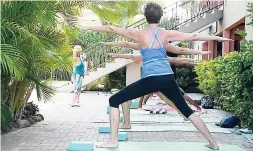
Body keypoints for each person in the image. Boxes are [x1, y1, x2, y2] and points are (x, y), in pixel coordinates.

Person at [76, 2, 232, 149]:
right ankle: (213, 143)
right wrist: (219, 38)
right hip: (167, 78)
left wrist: (86, 26)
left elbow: (110, 28)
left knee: (114, 100)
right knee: (187, 111)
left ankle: (113, 140)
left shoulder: (139, 33)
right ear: (160, 17)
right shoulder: (166, 34)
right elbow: (194, 37)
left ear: (145, 16)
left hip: (150, 80)